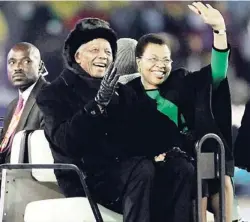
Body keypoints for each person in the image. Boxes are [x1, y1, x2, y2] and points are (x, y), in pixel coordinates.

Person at [36, 17, 195, 222]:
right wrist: (97, 104)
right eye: (95, 50)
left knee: (181, 168)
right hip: (86, 178)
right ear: (77, 56)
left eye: (108, 52)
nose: (103, 56)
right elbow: (66, 141)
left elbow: (151, 125)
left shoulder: (122, 91)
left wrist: (181, 140)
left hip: (127, 173)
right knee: (142, 169)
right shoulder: (54, 93)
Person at [124, 2, 233, 222]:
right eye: (153, 59)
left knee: (220, 176)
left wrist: (219, 31)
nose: (160, 65)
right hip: (160, 168)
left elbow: (218, 73)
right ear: (138, 63)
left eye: (166, 60)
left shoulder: (181, 81)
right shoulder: (127, 94)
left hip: (194, 154)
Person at [0, 42, 48, 164]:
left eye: (26, 61)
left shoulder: (50, 98)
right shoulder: (13, 105)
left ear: (40, 66)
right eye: (12, 62)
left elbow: (46, 153)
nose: (17, 67)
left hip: (28, 177)